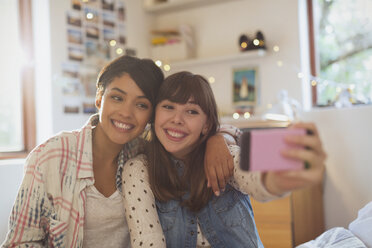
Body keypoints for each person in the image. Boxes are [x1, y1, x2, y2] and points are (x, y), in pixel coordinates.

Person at [2, 57, 237, 248]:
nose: (126, 113)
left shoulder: (146, 155)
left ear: (152, 114)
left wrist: (218, 139)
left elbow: (205, 130)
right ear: (98, 98)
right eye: (117, 98)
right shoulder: (50, 158)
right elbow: (19, 242)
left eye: (141, 104)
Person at [122, 71, 327, 247]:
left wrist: (275, 180)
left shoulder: (223, 154)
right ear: (154, 115)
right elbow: (147, 241)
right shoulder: (138, 170)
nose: (177, 119)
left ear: (206, 124)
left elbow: (253, 177)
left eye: (191, 111)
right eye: (168, 107)